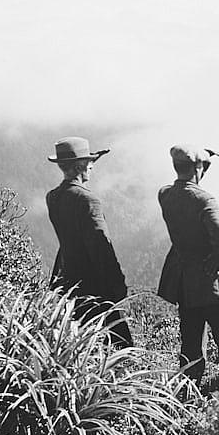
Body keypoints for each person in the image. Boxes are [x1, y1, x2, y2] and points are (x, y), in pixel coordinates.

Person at [157, 144, 219, 386]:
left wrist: (200, 163)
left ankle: (188, 393)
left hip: (184, 283)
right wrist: (216, 263)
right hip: (212, 285)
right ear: (198, 168)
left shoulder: (165, 194)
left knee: (191, 343)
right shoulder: (204, 200)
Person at [46, 136, 133, 348]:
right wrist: (117, 284)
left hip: (68, 281)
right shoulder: (87, 200)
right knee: (121, 344)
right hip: (95, 285)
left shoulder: (53, 197)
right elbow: (101, 247)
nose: (92, 168)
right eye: (90, 163)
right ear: (80, 166)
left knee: (83, 341)